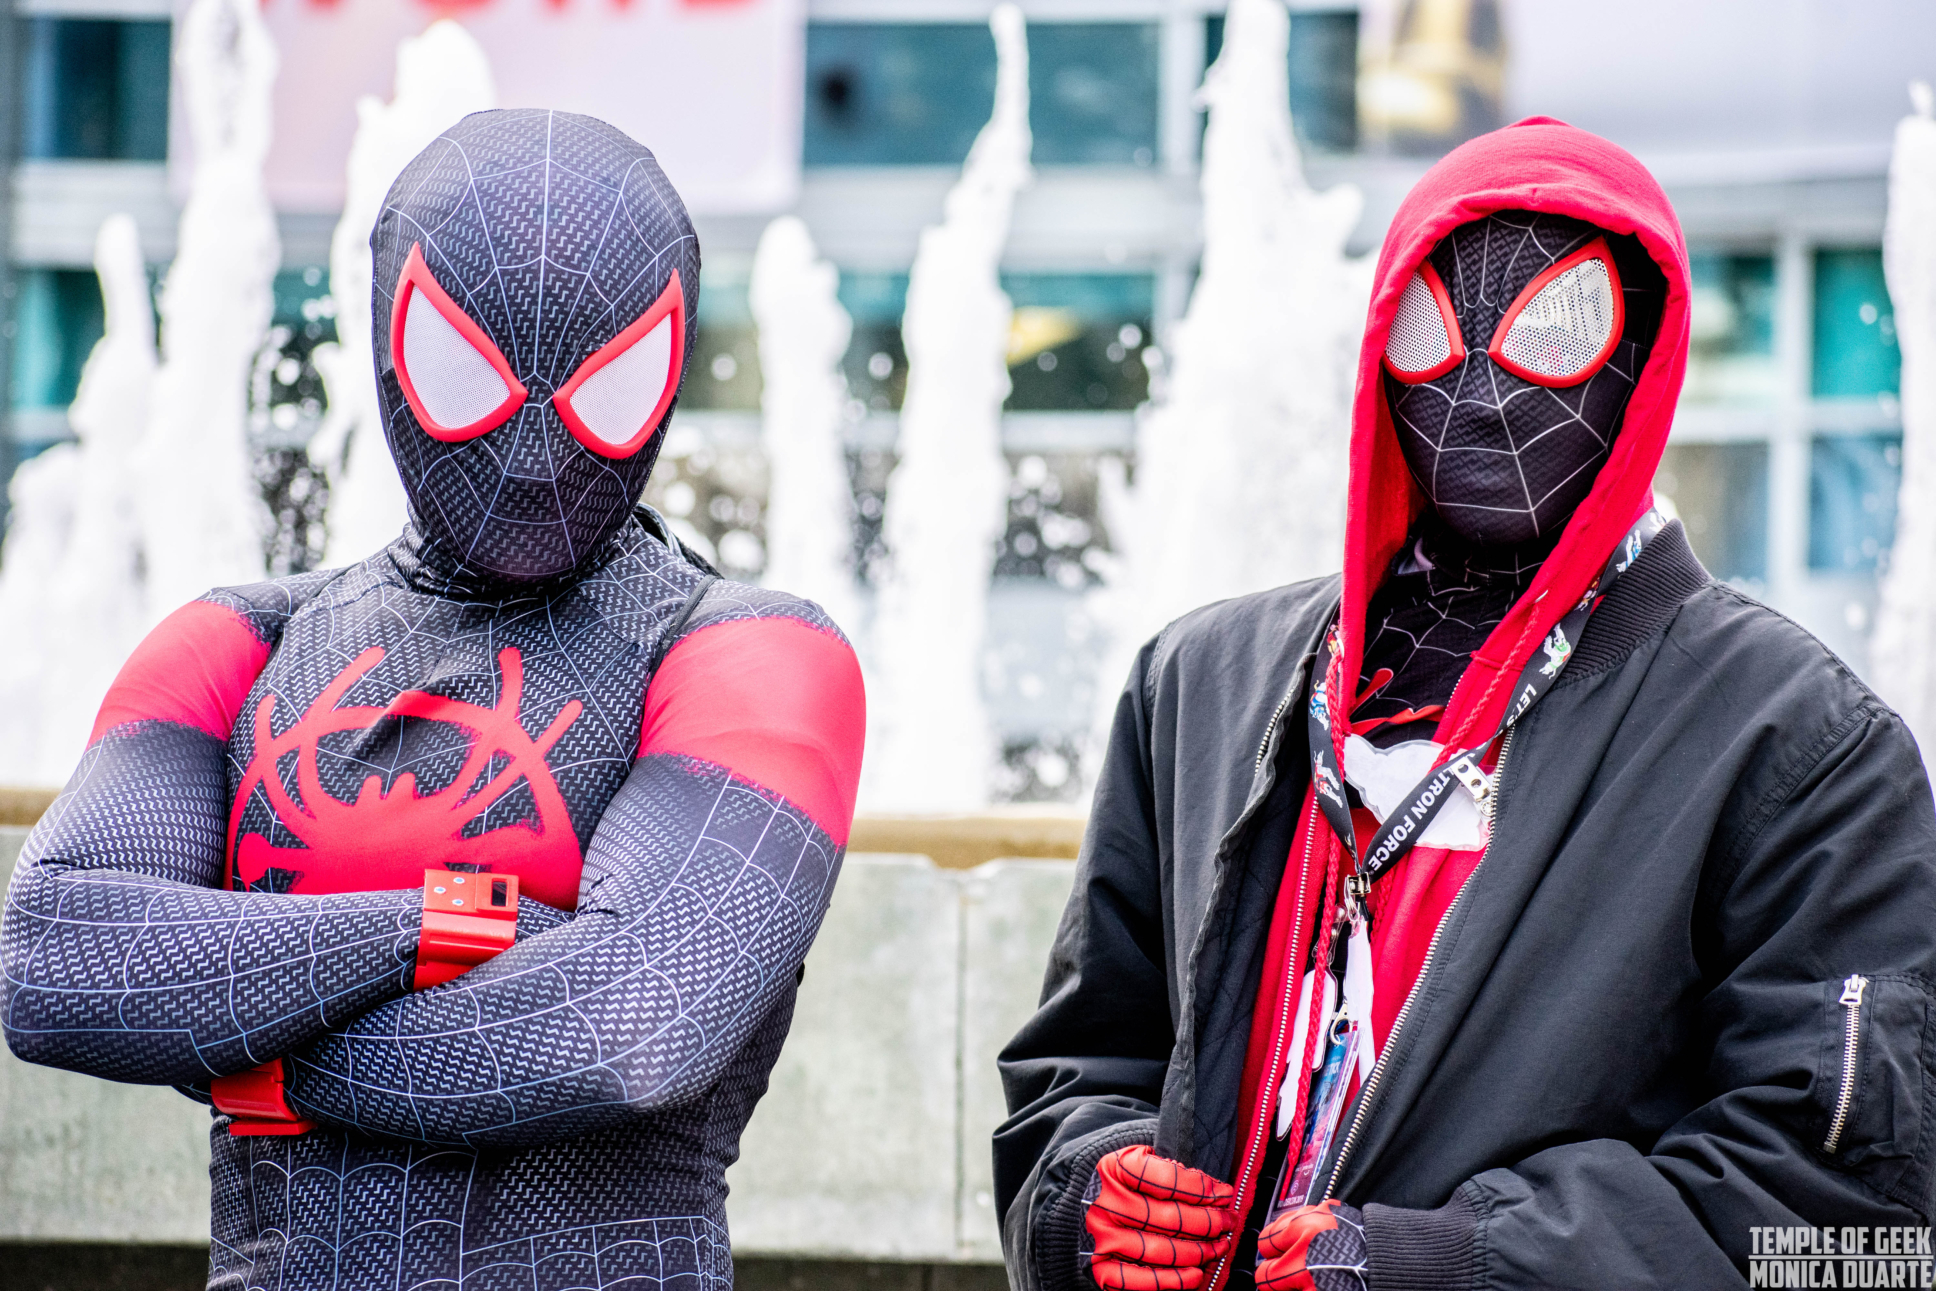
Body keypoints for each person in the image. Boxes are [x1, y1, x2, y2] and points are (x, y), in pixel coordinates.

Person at [993, 118, 1936, 1291]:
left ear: (1641, 353)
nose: (1481, 395)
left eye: (1556, 332)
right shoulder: (1201, 682)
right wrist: (1087, 1193)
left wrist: (1469, 1262)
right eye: (1431, 335)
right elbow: (1082, 1062)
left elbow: (1848, 1219)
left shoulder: (1797, 742)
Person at [2, 109, 865, 1291]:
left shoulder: (748, 652)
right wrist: (450, 925)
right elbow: (57, 961)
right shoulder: (239, 639)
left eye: (603, 387)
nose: (530, 447)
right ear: (388, 337)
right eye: (469, 373)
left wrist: (240, 1045)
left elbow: (626, 1025)